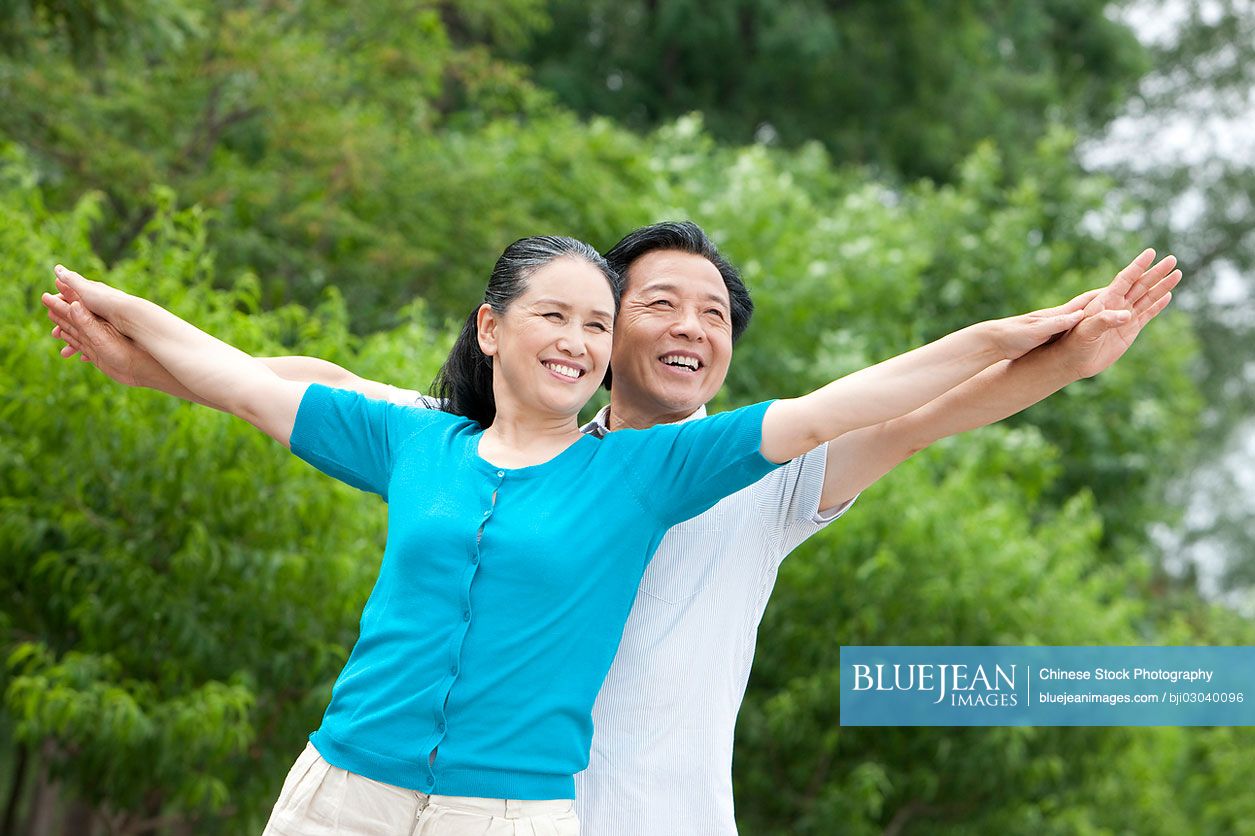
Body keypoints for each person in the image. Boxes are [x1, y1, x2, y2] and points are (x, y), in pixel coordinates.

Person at [43, 227, 1179, 835]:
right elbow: (287, 382)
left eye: (715, 312)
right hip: (412, 793)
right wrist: (135, 354)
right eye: (647, 304)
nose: (690, 324)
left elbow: (910, 410)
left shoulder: (740, 472)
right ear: (532, 329)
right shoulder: (466, 444)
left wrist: (1052, 353)